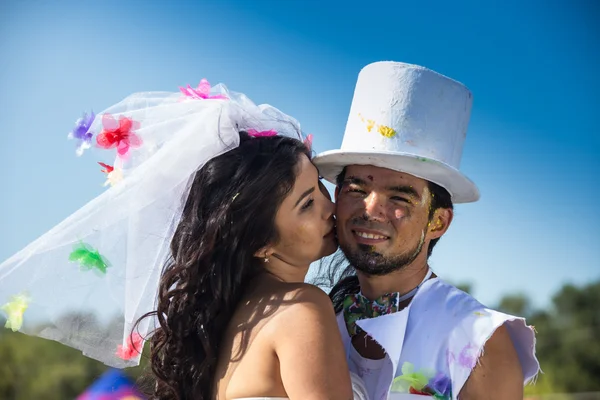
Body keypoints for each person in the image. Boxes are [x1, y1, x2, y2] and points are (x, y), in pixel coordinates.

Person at [0, 81, 367, 399]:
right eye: (307, 204)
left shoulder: (225, 325)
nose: (330, 207)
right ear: (259, 242)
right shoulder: (301, 308)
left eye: (320, 186)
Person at [313, 61, 541, 400]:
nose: (370, 210)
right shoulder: (316, 321)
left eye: (399, 197)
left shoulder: (478, 340)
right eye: (357, 189)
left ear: (438, 222)